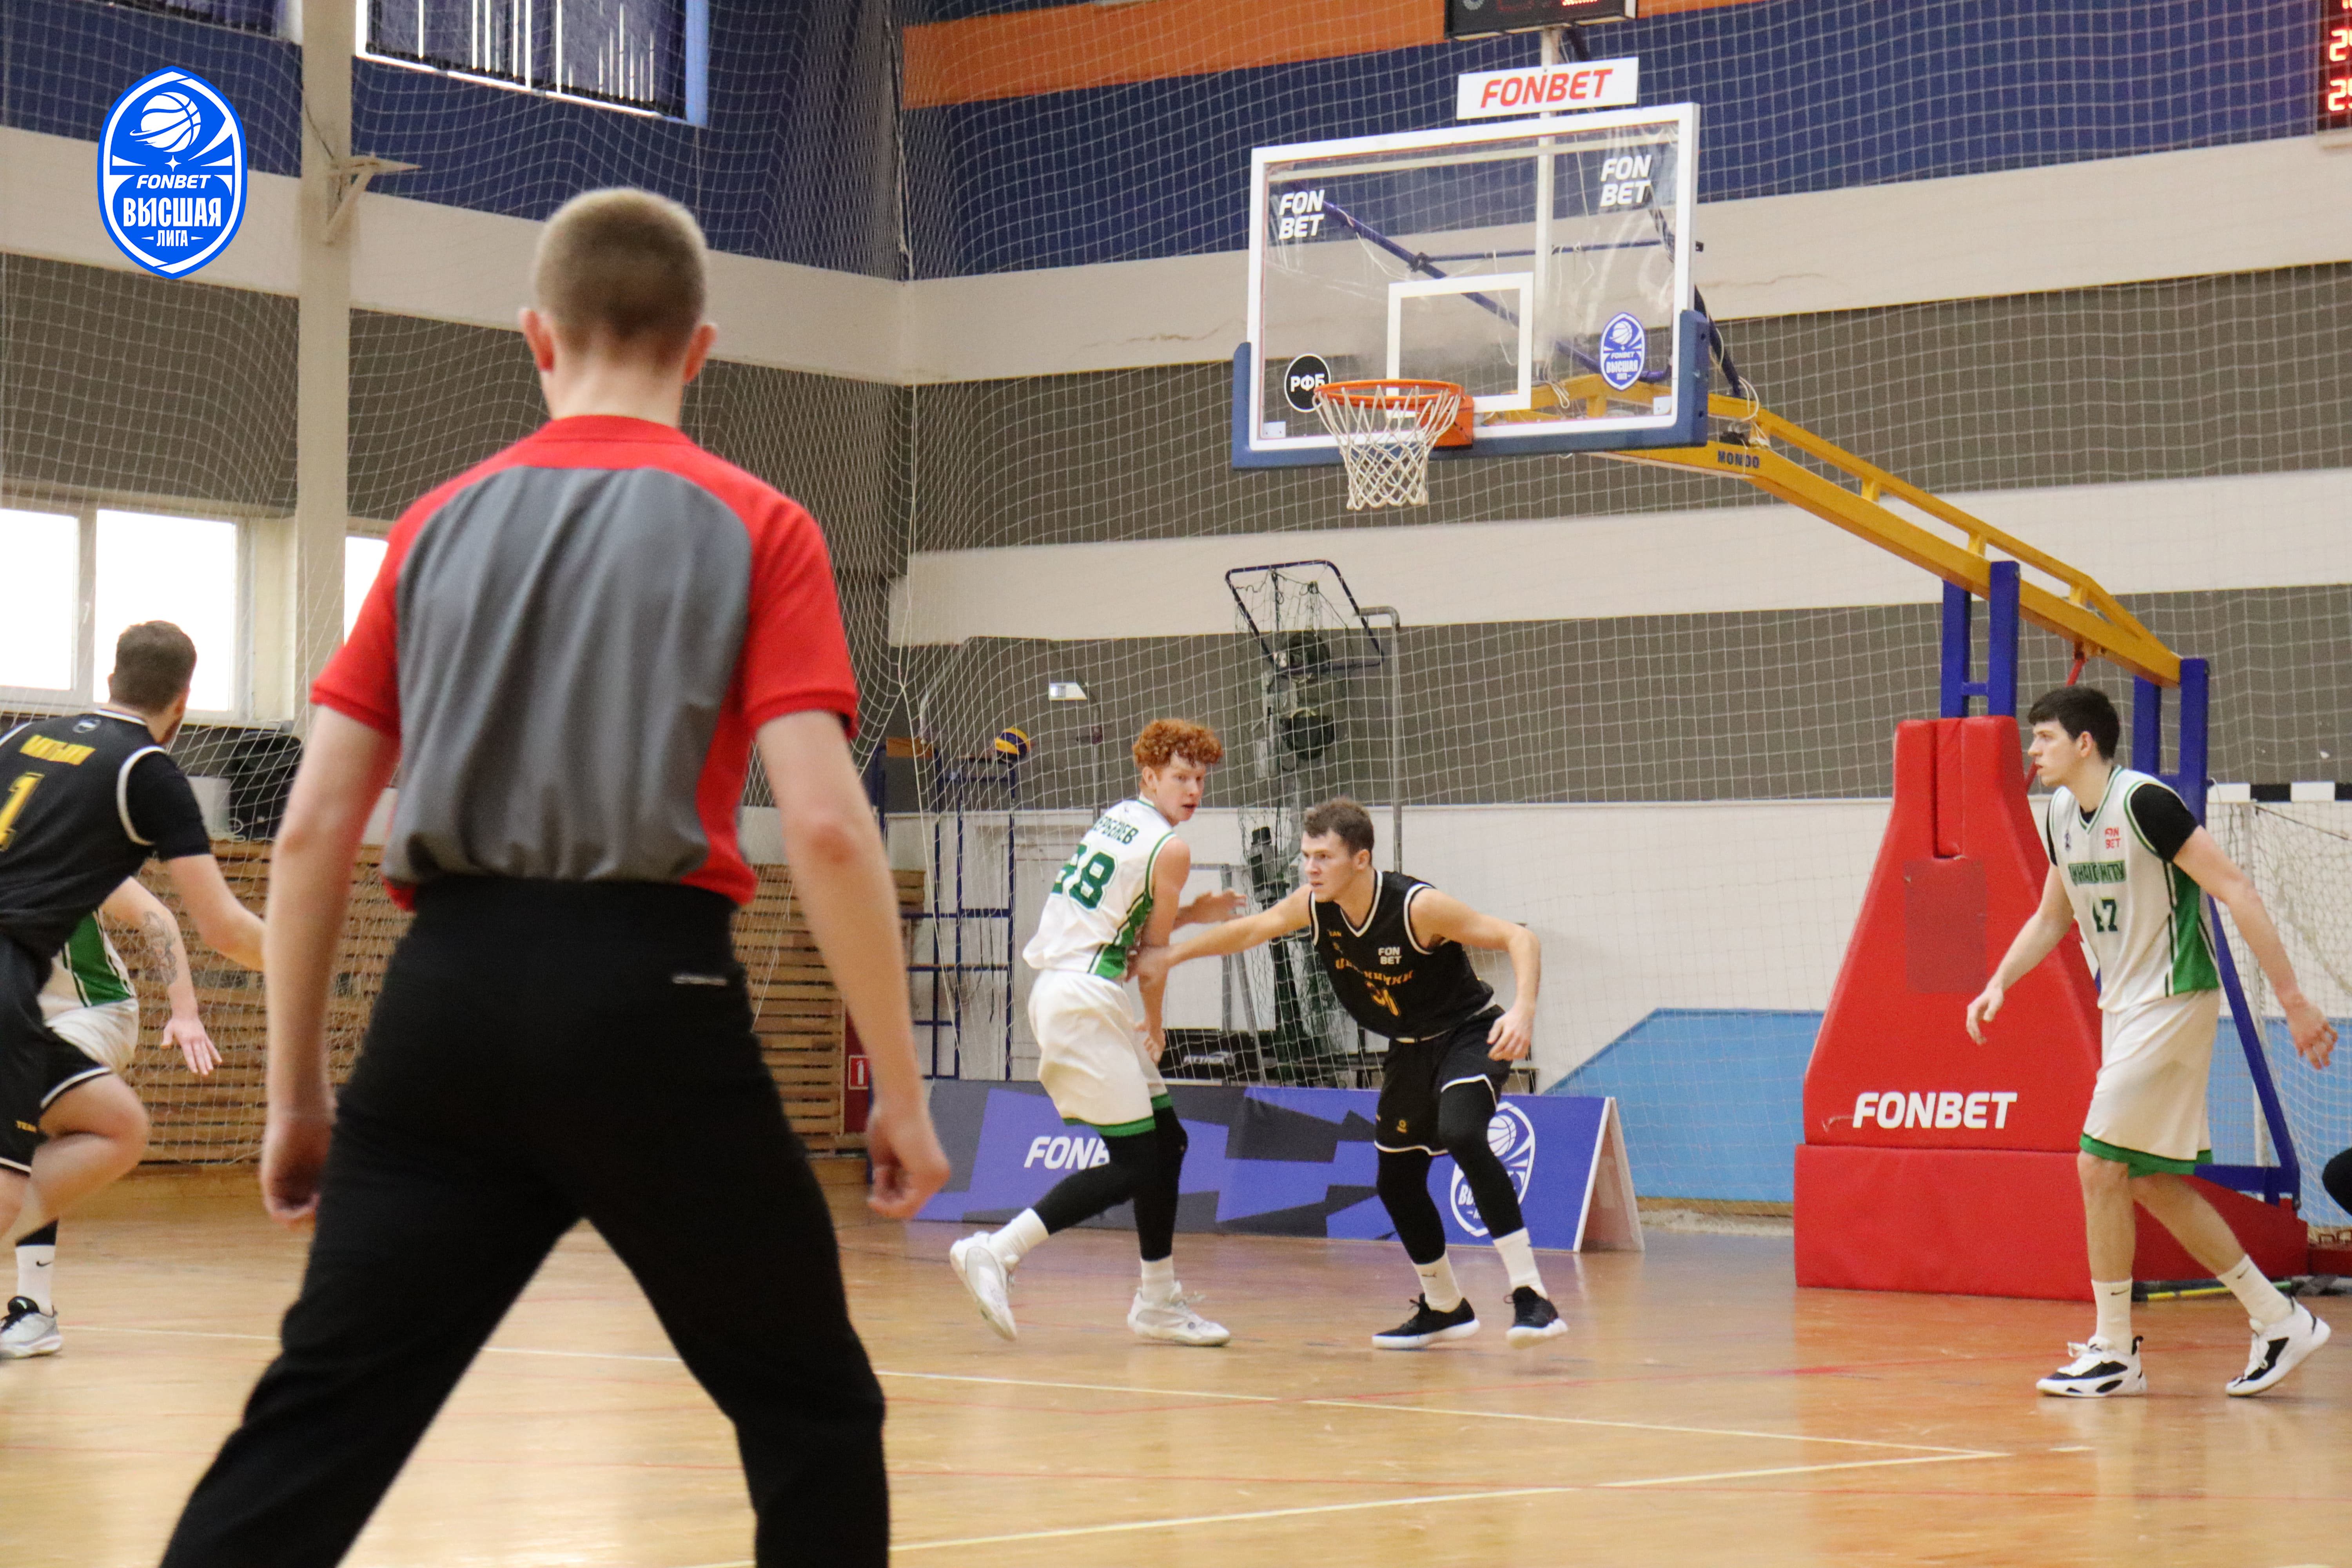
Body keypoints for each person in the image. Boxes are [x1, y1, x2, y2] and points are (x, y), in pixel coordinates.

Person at [156, 187, 948, 1568]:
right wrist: (900, 1085)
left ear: (536, 336)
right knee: (810, 1411)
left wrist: (298, 1094)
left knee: (317, 1425)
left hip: (443, 1010)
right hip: (653, 1004)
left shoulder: (433, 527)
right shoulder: (760, 523)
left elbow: (313, 829)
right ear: (700, 351)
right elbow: (827, 828)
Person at [1966, 685, 2336, 1397]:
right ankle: (2278, 1318)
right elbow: (2052, 917)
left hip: (2175, 998)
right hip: (2125, 1008)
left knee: (2097, 1165)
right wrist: (2000, 982)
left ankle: (2114, 1351)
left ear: (2085, 743)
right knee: (2143, 1178)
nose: (2033, 750)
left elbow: (2236, 890)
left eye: (2044, 737)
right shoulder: (2060, 814)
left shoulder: (2144, 803)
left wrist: (2293, 1000)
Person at [1139, 797, 1567, 1349]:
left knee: (1462, 1131)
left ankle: (1533, 1296)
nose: (1310, 868)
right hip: (1408, 1049)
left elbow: (1519, 938)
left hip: (1466, 1034)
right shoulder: (1314, 907)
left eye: (1323, 857)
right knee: (1396, 1181)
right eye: (1306, 857)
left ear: (1360, 859)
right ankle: (1445, 1307)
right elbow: (1251, 931)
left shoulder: (1417, 907)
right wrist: (1171, 956)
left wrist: (1524, 1009)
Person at [948, 719, 1243, 1346]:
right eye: (1181, 778)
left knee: (1168, 1143)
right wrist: (1154, 1024)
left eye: (1200, 779)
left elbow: (1120, 931)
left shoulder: (1119, 818)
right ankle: (996, 1251)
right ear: (1150, 777)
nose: (1194, 790)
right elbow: (1152, 959)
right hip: (1084, 999)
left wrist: (1195, 912)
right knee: (1136, 1161)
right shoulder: (1171, 848)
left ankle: (1158, 1301)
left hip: (1073, 988)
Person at [0, 623, 264, 1294]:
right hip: (11, 982)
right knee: (87, 1143)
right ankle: (34, 1301)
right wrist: (302, 961)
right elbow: (224, 929)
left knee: (108, 1124)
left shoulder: (18, 742)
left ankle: (32, 1299)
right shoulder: (144, 772)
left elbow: (153, 918)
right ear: (182, 703)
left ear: (111, 679)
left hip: (44, 1002)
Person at [2, 875, 218, 1359]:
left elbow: (155, 915)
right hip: (18, 1024)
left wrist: (185, 1012)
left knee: (30, 1095)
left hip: (93, 1012)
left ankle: (34, 1308)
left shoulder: (66, 849)